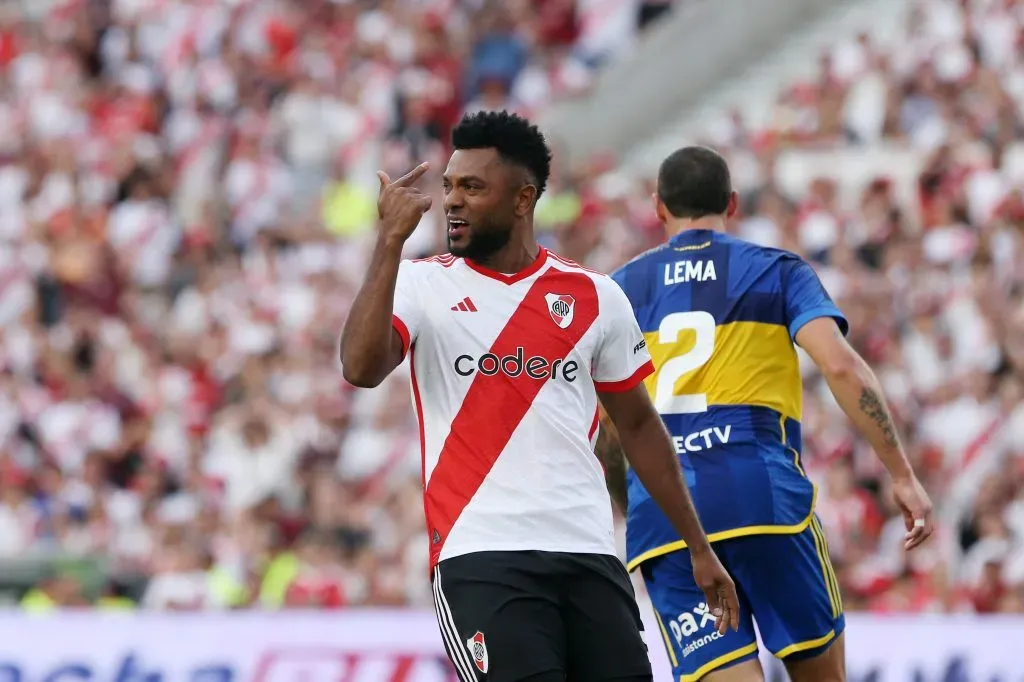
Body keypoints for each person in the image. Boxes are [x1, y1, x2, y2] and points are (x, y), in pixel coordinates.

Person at [340, 112, 740, 682]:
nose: (452, 201)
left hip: (588, 551)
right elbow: (359, 367)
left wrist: (697, 546)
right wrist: (388, 243)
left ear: (523, 199)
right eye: (449, 186)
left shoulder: (595, 296)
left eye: (472, 188)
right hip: (480, 555)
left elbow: (640, 428)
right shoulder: (421, 283)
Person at [608, 146, 935, 682]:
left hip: (667, 522)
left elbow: (607, 427)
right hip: (763, 501)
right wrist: (900, 473)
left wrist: (642, 503)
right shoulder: (776, 271)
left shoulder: (618, 291)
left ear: (658, 207)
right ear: (732, 203)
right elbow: (842, 367)